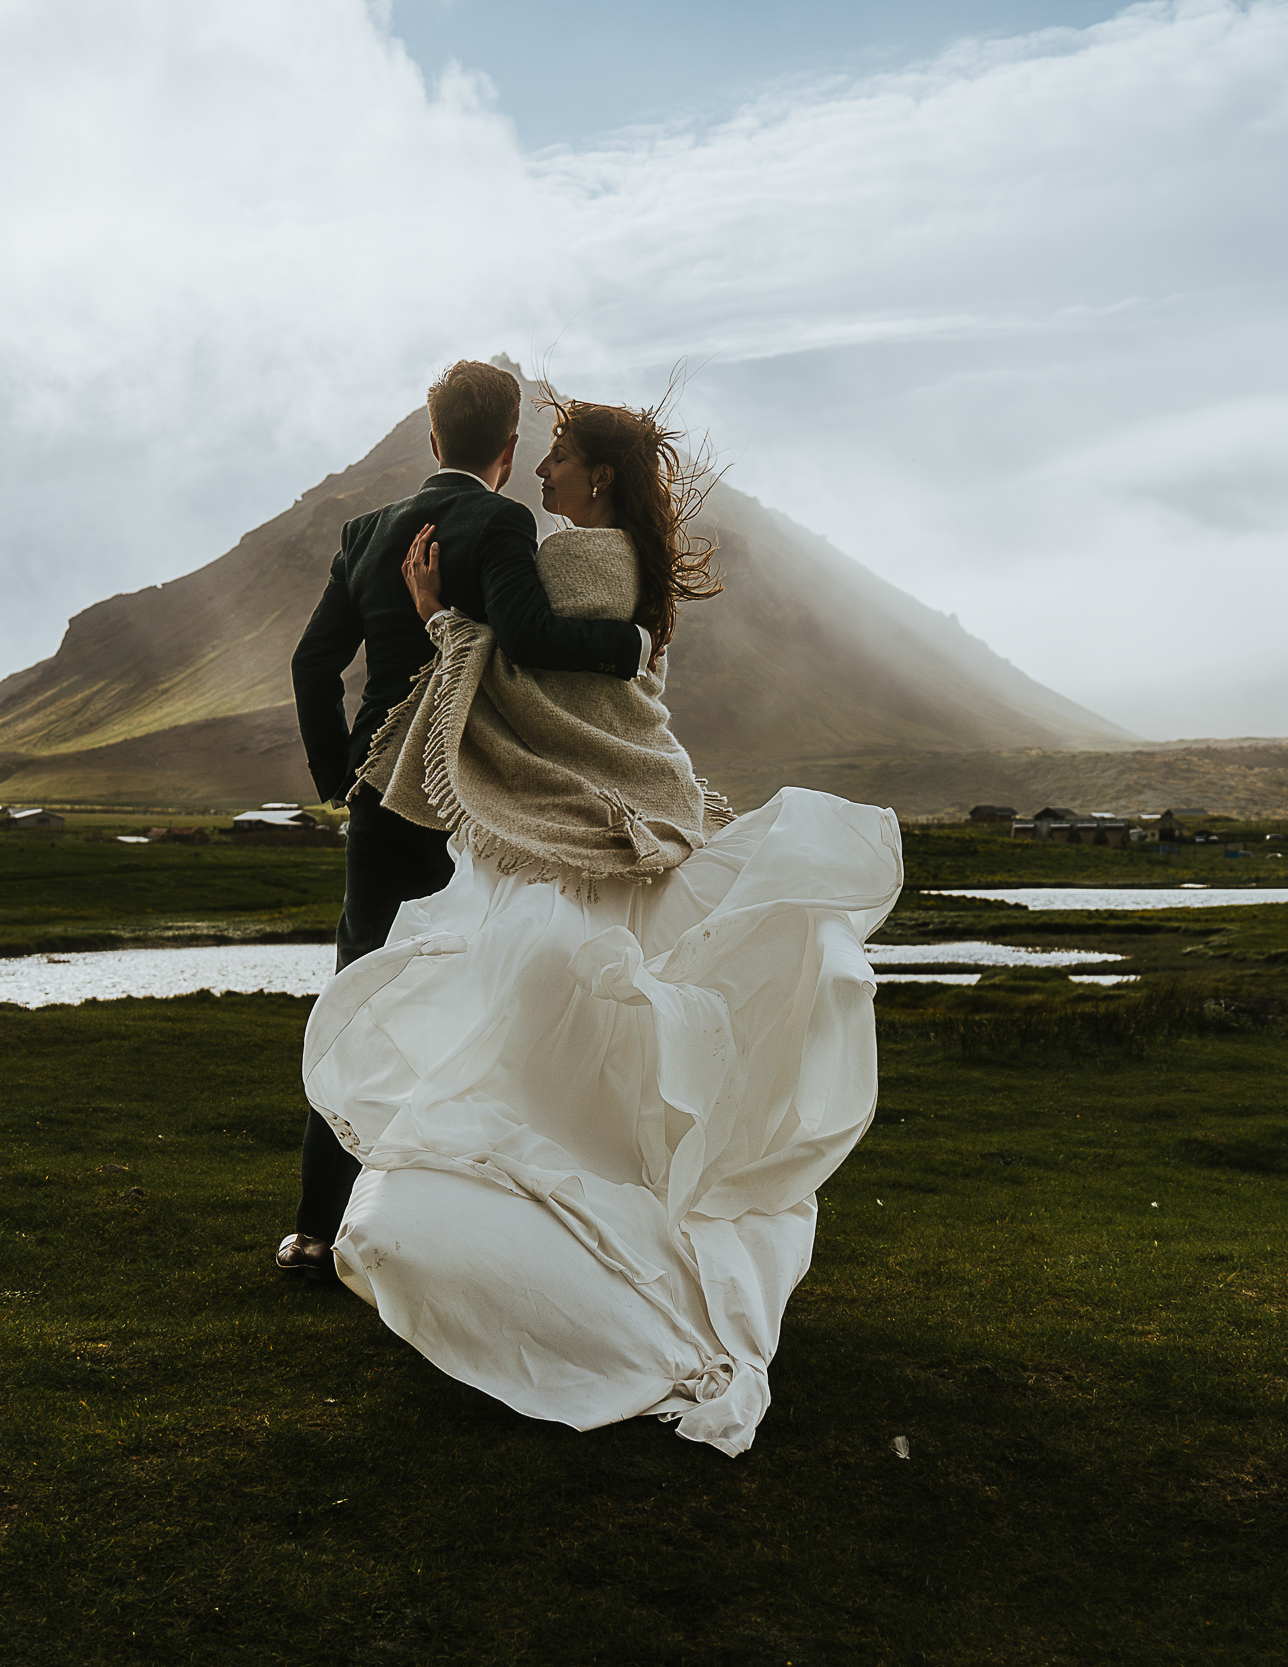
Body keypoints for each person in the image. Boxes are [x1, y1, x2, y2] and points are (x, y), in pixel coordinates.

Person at [300, 392, 903, 1456]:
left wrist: (442, 617)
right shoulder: (622, 561)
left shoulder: (577, 562)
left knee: (534, 1059)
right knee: (587, 1070)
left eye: (563, 458)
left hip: (572, 840)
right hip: (618, 827)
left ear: (599, 477)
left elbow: (529, 683)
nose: (541, 473)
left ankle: (587, 1295)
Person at [284, 360, 650, 1282]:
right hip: (469, 799)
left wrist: (343, 775)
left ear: (434, 436)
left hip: (379, 794)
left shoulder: (367, 531)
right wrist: (632, 645)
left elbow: (310, 663)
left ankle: (315, 1228)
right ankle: (469, 1223)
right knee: (485, 997)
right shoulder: (501, 522)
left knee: (361, 988)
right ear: (509, 447)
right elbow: (526, 638)